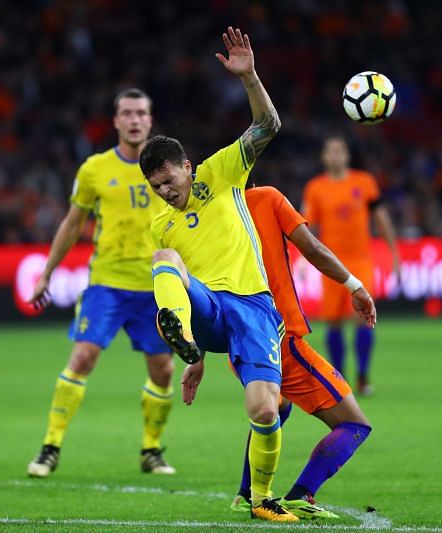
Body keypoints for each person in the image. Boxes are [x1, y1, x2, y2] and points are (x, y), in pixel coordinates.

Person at [142, 27, 296, 522]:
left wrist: (249, 76)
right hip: (206, 307)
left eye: (169, 180)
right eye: (155, 186)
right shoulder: (159, 223)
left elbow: (269, 124)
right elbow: (180, 278)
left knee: (265, 411)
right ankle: (178, 333)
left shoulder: (222, 171)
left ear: (187, 167)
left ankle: (261, 500)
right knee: (164, 262)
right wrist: (195, 353)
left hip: (253, 306)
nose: (165, 192)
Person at [26, 88, 176, 477]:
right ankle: (50, 446)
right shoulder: (94, 169)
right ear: (115, 121)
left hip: (157, 286)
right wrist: (46, 273)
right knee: (83, 357)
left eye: (141, 113)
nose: (134, 120)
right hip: (106, 282)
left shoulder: (169, 170)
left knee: (163, 370)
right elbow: (72, 224)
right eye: (127, 113)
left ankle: (152, 450)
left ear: (150, 119)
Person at [222, 185, 375, 519]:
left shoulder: (207, 214)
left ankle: (246, 494)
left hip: (239, 340)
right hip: (280, 336)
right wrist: (356, 286)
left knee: (276, 405)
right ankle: (301, 494)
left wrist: (199, 358)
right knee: (354, 424)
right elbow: (313, 248)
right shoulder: (266, 198)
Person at [301, 136, 399, 395]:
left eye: (339, 151)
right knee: (332, 321)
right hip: (331, 264)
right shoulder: (316, 188)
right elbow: (305, 227)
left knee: (363, 318)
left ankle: (364, 376)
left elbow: (381, 217)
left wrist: (394, 253)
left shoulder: (364, 182)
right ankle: (340, 378)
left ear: (346, 155)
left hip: (360, 261)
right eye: (330, 151)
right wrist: (301, 259)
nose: (335, 156)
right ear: (324, 157)